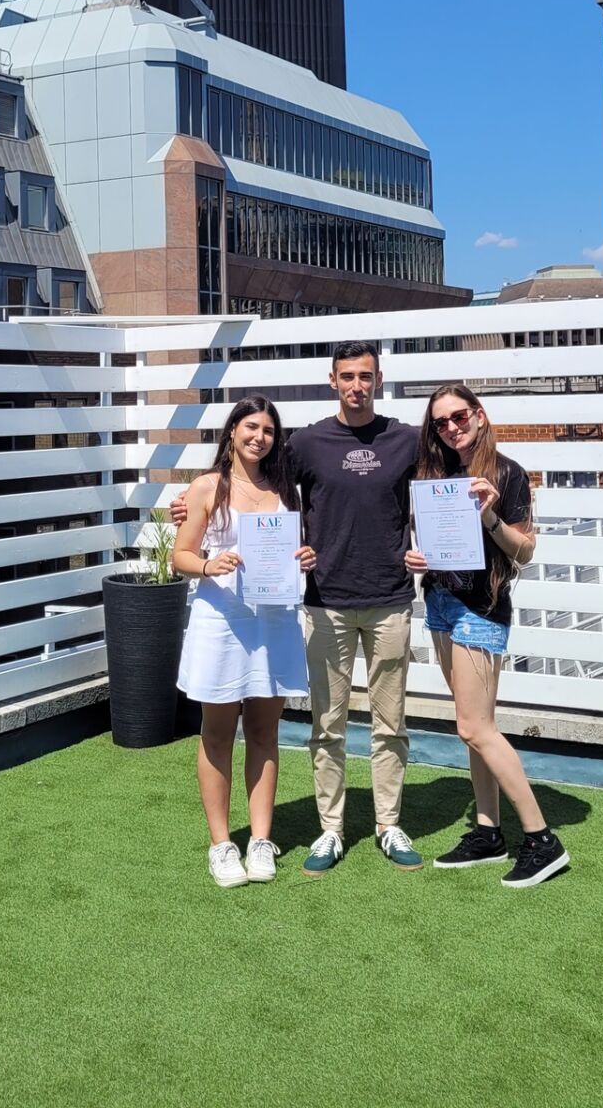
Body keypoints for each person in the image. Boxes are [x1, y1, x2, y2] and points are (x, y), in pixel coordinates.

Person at [178, 341, 423, 876]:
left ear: (378, 379)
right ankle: (329, 831)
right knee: (325, 727)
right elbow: (234, 479)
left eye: (365, 375)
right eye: (347, 375)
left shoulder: (407, 438)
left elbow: (440, 487)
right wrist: (186, 502)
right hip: (322, 604)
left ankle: (388, 824)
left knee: (390, 724)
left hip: (389, 599)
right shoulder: (305, 445)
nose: (356, 384)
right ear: (331, 380)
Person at [406, 383, 569, 888]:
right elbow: (429, 541)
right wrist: (415, 559)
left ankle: (542, 839)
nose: (451, 427)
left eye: (459, 416)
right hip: (439, 602)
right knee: (470, 725)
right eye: (441, 422)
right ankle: (487, 830)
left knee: (477, 728)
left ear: (479, 415)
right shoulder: (435, 474)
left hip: (482, 608)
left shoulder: (507, 473)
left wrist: (488, 515)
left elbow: (524, 553)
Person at [172, 395, 317, 889]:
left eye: (269, 431)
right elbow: (181, 556)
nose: (260, 437)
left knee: (264, 732)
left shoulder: (285, 491)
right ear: (232, 430)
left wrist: (304, 558)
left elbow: (296, 551)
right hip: (222, 621)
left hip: (273, 622)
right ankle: (220, 845)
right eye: (251, 426)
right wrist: (209, 564)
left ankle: (260, 840)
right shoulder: (207, 486)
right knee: (216, 733)